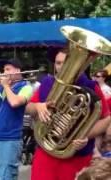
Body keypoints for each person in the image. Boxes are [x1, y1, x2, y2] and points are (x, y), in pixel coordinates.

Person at [26, 48, 111, 180]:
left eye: (65, 62)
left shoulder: (91, 86)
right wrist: (37, 106)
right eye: (58, 63)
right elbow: (28, 107)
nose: (61, 67)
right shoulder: (47, 83)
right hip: (45, 155)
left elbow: (106, 119)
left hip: (77, 158)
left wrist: (84, 134)